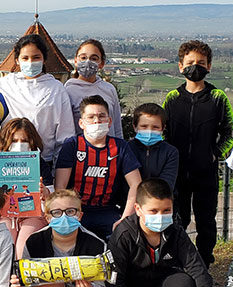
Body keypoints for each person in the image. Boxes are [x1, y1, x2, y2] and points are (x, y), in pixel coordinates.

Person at [106, 178, 218, 287]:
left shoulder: (176, 231)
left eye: (166, 210)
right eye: (153, 211)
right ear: (138, 209)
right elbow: (114, 282)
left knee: (186, 286)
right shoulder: (123, 235)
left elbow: (199, 271)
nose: (160, 216)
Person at [161, 40, 233, 267]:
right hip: (178, 172)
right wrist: (170, 157)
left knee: (206, 221)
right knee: (178, 220)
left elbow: (230, 130)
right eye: (190, 62)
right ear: (180, 66)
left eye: (201, 63)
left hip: (206, 171)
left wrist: (216, 153)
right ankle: (177, 260)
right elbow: (163, 130)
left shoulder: (218, 97)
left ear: (209, 66)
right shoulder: (172, 97)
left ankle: (204, 263)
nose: (196, 66)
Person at [0, 34, 75, 165]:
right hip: (8, 160)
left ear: (44, 59)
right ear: (17, 60)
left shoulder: (56, 89)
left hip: (43, 161)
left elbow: (65, 136)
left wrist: (59, 171)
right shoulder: (6, 83)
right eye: (25, 58)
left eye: (36, 57)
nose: (30, 62)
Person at [0, 117, 53, 287]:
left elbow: (51, 199)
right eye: (15, 140)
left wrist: (44, 192)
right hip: (5, 216)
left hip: (33, 215)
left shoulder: (41, 163)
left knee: (23, 249)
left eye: (25, 140)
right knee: (6, 249)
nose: (20, 144)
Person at [55, 95, 142, 238]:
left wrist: (125, 219)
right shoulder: (72, 145)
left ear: (109, 121)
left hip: (108, 211)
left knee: (126, 236)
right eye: (91, 117)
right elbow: (60, 187)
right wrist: (68, 215)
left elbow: (136, 184)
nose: (97, 120)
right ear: (81, 123)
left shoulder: (120, 147)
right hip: (76, 210)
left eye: (102, 116)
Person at [64, 39, 123, 138]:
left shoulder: (109, 89)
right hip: (81, 149)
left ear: (101, 64)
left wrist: (119, 148)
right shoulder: (68, 91)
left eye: (94, 59)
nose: (88, 62)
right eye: (83, 57)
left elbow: (117, 126)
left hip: (110, 149)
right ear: (75, 61)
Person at [127, 103, 179, 190]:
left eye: (155, 127)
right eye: (144, 126)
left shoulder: (170, 152)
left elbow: (167, 184)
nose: (149, 131)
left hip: (159, 200)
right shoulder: (126, 149)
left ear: (163, 128)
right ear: (135, 127)